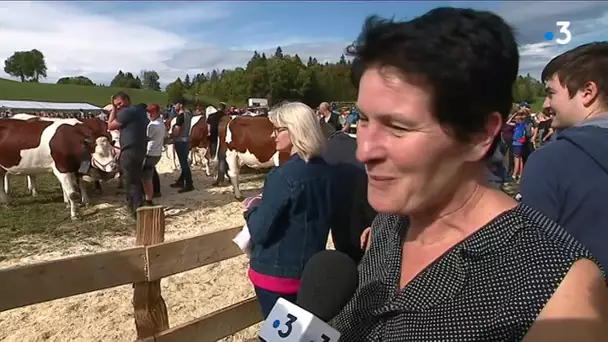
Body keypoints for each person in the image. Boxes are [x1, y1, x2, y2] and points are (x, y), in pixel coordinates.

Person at [331, 9, 607, 341]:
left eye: (398, 127)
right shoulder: (389, 224)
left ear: (478, 134)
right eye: (363, 119)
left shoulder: (559, 293)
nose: (364, 151)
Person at [520, 42, 608, 269]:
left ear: (587, 93)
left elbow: (533, 258)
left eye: (551, 93)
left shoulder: (551, 161)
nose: (547, 104)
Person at [245, 101, 333, 318]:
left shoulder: (283, 175)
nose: (273, 135)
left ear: (295, 129)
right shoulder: (326, 170)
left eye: (278, 129)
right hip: (310, 272)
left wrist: (251, 208)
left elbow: (259, 231)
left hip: (276, 274)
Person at [107, 92, 149, 218]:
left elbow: (110, 126)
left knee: (130, 181)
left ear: (127, 100)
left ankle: (136, 210)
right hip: (140, 149)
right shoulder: (140, 111)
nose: (118, 106)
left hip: (129, 150)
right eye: (116, 105)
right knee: (135, 178)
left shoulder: (127, 112)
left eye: (119, 103)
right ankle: (135, 205)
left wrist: (113, 110)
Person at [168, 96, 194, 193]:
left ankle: (189, 184)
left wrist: (171, 137)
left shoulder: (180, 117)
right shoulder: (188, 114)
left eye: (176, 104)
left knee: (184, 164)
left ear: (181, 105)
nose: (174, 106)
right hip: (187, 140)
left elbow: (177, 131)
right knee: (184, 162)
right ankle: (180, 181)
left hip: (180, 141)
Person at [143, 104, 165, 204]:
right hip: (157, 152)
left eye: (152, 112)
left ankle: (149, 198)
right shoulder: (161, 122)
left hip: (150, 152)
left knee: (146, 176)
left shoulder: (153, 125)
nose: (150, 114)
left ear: (157, 112)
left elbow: (145, 138)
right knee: (152, 172)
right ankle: (157, 191)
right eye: (148, 112)